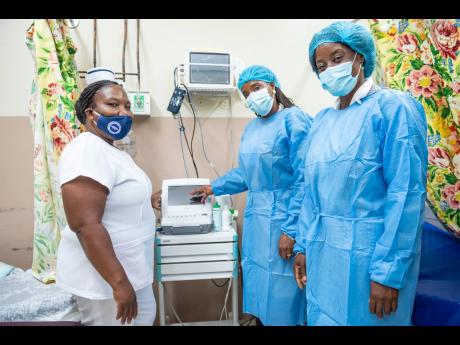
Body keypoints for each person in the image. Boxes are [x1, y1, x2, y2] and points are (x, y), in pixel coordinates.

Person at [293, 21, 428, 326]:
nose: (329, 69)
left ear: (360, 57)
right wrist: (303, 246)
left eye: (337, 58)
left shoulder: (393, 109)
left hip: (370, 264)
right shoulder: (322, 122)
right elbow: (310, 194)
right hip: (323, 256)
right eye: (321, 65)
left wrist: (387, 273)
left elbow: (406, 194)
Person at [190, 65, 313, 326]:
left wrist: (291, 231)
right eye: (245, 93)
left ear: (272, 86)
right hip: (258, 219)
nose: (251, 96)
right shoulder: (252, 128)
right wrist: (215, 187)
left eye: (256, 88)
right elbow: (247, 174)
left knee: (284, 289)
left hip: (285, 217)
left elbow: (306, 178)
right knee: (259, 281)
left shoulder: (294, 119)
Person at [56, 80, 160, 326]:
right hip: (106, 280)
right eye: (113, 105)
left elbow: (113, 200)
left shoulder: (112, 151)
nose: (123, 113)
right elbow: (85, 224)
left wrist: (148, 201)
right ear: (91, 113)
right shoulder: (86, 150)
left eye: (127, 106)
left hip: (130, 270)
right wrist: (120, 284)